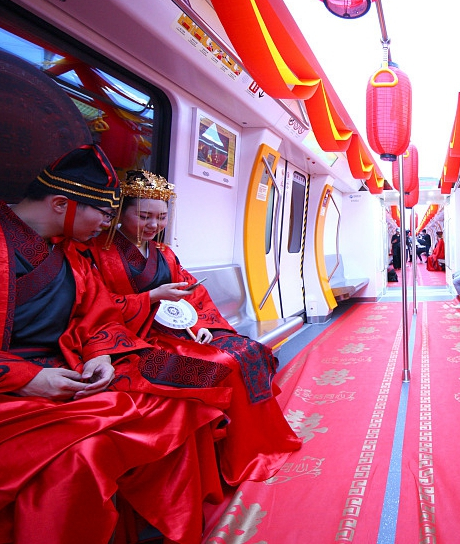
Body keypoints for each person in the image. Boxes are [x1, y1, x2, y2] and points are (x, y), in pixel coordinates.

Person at [0, 145, 231, 544]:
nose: (108, 224)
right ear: (61, 203)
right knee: (85, 454)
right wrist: (26, 378)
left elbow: (97, 315)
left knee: (198, 382)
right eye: (105, 214)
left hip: (73, 366)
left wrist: (101, 355)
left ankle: (164, 525)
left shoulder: (70, 253)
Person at [86, 171, 301, 485]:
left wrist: (201, 324)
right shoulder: (97, 253)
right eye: (144, 216)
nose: (153, 225)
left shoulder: (164, 253)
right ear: (121, 212)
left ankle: (256, 447)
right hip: (133, 341)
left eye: (161, 217)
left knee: (247, 351)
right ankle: (232, 455)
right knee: (221, 365)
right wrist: (150, 298)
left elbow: (191, 292)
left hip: (180, 330)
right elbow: (96, 306)